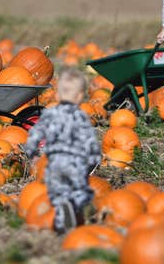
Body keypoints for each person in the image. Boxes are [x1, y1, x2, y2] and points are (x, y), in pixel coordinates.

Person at [23, 68, 101, 234]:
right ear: (80, 97)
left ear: (57, 96)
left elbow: (36, 133)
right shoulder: (80, 116)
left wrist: (29, 149)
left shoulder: (50, 114)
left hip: (55, 162)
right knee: (79, 188)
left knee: (57, 193)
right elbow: (89, 139)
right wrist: (94, 156)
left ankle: (62, 221)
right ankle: (80, 207)